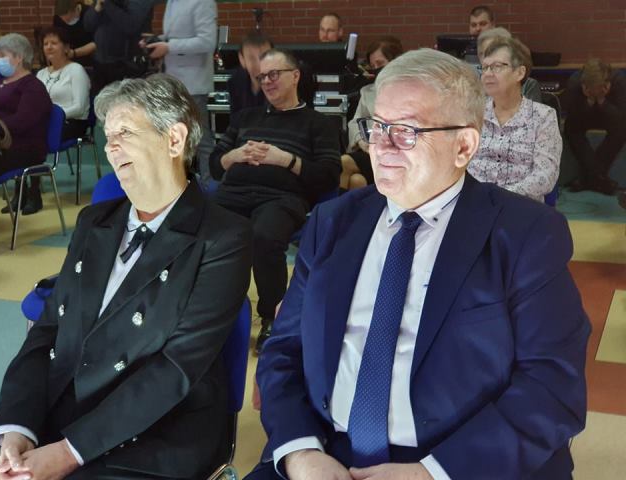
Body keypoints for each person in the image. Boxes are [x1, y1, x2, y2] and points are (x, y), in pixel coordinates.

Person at [246, 48, 590, 480]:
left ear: (464, 145)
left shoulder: (526, 234)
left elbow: (553, 386)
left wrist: (432, 473)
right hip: (326, 454)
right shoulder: (333, 223)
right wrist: (300, 452)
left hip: (459, 462)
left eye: (406, 131)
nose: (381, 147)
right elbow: (284, 351)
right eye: (377, 127)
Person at [0, 73, 252, 480]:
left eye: (125, 133)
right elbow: (46, 332)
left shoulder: (223, 237)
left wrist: (69, 452)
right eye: (108, 136)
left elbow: (176, 368)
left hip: (156, 431)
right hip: (64, 407)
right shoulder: (94, 221)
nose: (110, 148)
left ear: (174, 139)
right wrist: (16, 428)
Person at [209, 49, 341, 354]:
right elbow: (215, 165)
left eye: (273, 75)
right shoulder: (245, 117)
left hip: (282, 198)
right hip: (233, 194)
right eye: (262, 77)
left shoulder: (319, 123)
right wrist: (234, 155)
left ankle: (272, 317)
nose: (266, 82)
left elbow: (329, 177)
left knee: (264, 237)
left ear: (295, 76)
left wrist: (286, 160)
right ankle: (212, 313)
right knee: (203, 232)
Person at [468, 37, 561, 202]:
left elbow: (545, 176)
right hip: (476, 203)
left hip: (520, 206)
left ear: (520, 73)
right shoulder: (473, 113)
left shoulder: (543, 117)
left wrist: (500, 198)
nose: (487, 74)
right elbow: (459, 164)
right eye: (485, 67)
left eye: (497, 67)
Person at [143, 0, 217, 184]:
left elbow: (207, 41)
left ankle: (211, 186)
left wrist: (169, 47)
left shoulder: (203, 2)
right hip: (174, 81)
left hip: (194, 83)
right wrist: (157, 40)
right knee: (178, 139)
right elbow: (175, 36)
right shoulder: (173, 2)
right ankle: (183, 185)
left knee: (201, 140)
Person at [0, 33, 51, 215]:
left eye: (2, 55)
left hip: (20, 147)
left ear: (19, 57)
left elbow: (23, 121)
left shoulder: (33, 87)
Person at [341, 36, 403, 191]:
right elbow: (355, 122)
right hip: (369, 150)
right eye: (373, 65)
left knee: (343, 163)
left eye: (380, 64)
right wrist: (361, 141)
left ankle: (332, 208)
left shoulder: (408, 90)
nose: (376, 68)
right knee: (356, 181)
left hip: (395, 152)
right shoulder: (368, 91)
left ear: (396, 61)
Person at [563, 59, 626, 195]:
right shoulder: (575, 82)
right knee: (570, 127)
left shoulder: (619, 80)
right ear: (585, 85)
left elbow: (621, 116)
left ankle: (587, 178)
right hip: (584, 115)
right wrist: (589, 101)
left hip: (609, 116)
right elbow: (571, 114)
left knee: (622, 129)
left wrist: (602, 101)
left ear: (606, 83)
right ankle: (600, 179)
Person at [83, 0, 159, 94]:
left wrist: (107, 4)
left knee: (126, 100)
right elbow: (88, 26)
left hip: (127, 64)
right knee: (100, 99)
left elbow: (130, 25)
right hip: (100, 62)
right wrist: (97, 9)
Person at [37, 27, 91, 140]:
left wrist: (54, 116)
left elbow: (80, 108)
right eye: (45, 44)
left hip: (72, 122)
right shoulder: (41, 74)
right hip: (46, 121)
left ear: (66, 48)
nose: (49, 47)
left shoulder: (76, 70)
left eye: (54, 43)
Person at [476, 27, 542, 103]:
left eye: (494, 52)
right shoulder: (472, 83)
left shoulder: (528, 85)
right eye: (484, 54)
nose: (489, 59)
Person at [227, 31, 273, 116]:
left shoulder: (281, 83)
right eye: (251, 58)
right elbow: (235, 119)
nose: (259, 64)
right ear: (242, 59)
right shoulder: (235, 83)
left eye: (264, 56)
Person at [53, 0, 96, 68]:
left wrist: (74, 53)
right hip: (67, 60)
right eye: (62, 18)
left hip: (90, 60)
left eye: (69, 19)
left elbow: (97, 43)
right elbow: (58, 39)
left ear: (76, 9)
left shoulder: (90, 14)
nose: (65, 21)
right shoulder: (57, 19)